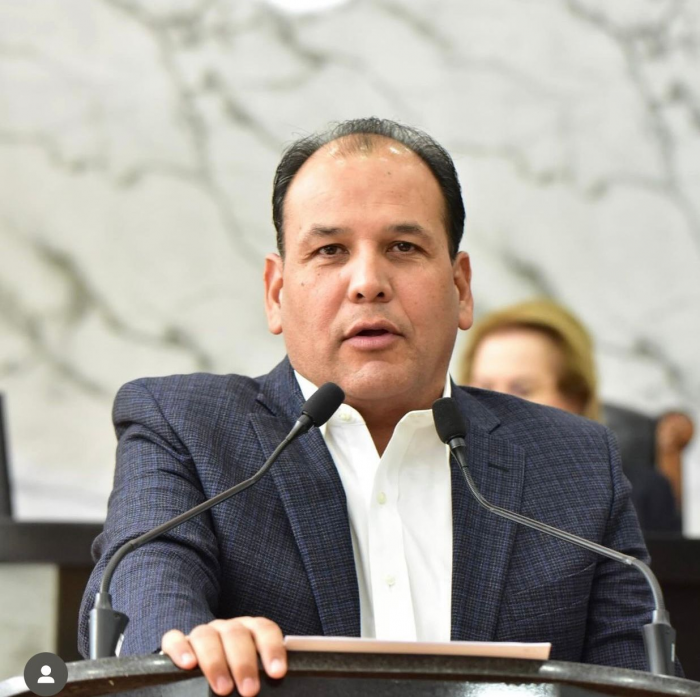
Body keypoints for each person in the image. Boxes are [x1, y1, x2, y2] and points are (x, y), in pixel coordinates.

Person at [79, 119, 660, 695]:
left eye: (403, 247)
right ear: (276, 293)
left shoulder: (576, 463)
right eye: (330, 250)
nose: (368, 283)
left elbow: (637, 680)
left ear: (461, 288)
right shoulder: (185, 427)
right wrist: (191, 649)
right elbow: (143, 599)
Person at [460, 298, 681, 533]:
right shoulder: (449, 484)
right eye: (483, 388)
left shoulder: (639, 495)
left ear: (576, 399)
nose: (495, 404)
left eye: (522, 389)